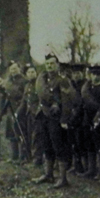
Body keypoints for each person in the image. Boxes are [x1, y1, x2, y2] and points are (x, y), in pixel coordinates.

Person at [33, 54, 77, 188]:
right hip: (43, 116)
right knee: (46, 145)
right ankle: (48, 174)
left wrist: (64, 119)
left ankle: (63, 179)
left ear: (57, 65)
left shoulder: (62, 80)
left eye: (52, 64)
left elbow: (67, 101)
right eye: (47, 64)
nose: (50, 66)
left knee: (59, 146)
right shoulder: (42, 79)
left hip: (56, 119)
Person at [0, 61, 27, 163]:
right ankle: (14, 156)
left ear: (19, 69)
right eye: (11, 69)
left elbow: (24, 96)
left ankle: (23, 157)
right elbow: (4, 94)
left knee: (20, 132)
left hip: (20, 108)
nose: (13, 71)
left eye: (15, 68)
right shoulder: (8, 81)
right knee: (11, 133)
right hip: (10, 109)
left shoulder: (24, 81)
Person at [78, 65, 100, 179]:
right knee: (89, 144)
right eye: (93, 74)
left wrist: (98, 117)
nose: (95, 77)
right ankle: (91, 169)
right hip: (87, 119)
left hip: (99, 120)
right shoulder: (88, 88)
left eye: (98, 74)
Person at [16, 63, 43, 166]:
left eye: (33, 72)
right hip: (29, 114)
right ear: (26, 74)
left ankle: (38, 159)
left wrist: (38, 111)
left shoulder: (39, 84)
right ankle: (29, 157)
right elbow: (24, 100)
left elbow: (41, 99)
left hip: (38, 114)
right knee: (28, 135)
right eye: (29, 72)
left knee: (37, 137)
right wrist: (18, 112)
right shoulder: (27, 85)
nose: (31, 74)